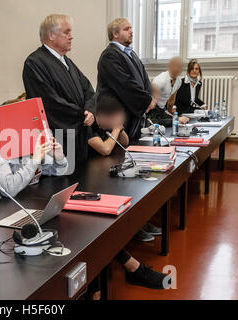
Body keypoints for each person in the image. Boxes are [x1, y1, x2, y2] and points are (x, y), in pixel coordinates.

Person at [23, 14, 96, 165]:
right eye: (66, 32)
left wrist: (90, 110)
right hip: (58, 139)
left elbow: (88, 89)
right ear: (51, 35)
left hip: (79, 134)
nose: (71, 37)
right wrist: (81, 114)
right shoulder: (34, 63)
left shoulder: (67, 61)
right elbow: (49, 101)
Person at [88, 95, 161, 242]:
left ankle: (139, 223)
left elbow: (125, 141)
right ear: (102, 116)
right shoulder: (90, 127)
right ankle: (132, 228)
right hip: (90, 176)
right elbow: (105, 149)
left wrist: (119, 129)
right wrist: (115, 129)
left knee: (133, 186)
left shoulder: (108, 125)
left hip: (106, 168)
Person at [97, 18, 156, 141]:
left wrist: (149, 98)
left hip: (133, 115)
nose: (131, 31)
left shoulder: (131, 54)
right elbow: (124, 83)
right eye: (126, 29)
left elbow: (144, 79)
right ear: (115, 34)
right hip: (117, 116)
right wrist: (145, 100)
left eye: (131, 28)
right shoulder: (110, 55)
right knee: (118, 158)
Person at [0, 131, 69, 200]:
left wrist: (59, 158)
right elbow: (9, 191)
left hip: (31, 199)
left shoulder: (29, 148)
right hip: (6, 208)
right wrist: (34, 161)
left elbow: (58, 171)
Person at [149, 57, 189, 126]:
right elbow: (151, 101)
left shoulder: (179, 81)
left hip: (161, 111)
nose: (179, 69)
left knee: (180, 121)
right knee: (175, 121)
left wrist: (173, 116)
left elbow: (171, 101)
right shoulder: (161, 79)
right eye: (176, 66)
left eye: (180, 67)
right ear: (170, 66)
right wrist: (174, 120)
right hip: (151, 112)